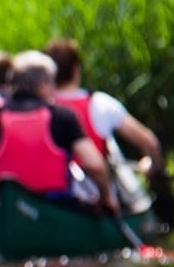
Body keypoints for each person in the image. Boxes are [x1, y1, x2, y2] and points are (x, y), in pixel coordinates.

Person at [0, 50, 116, 212]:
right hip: (55, 209)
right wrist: (106, 197)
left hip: (1, 209)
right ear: (43, 85)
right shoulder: (63, 117)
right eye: (52, 83)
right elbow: (95, 165)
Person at [44, 37, 164, 209]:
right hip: (96, 200)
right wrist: (153, 168)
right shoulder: (100, 103)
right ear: (76, 70)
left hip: (52, 199)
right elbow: (150, 143)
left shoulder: (38, 109)